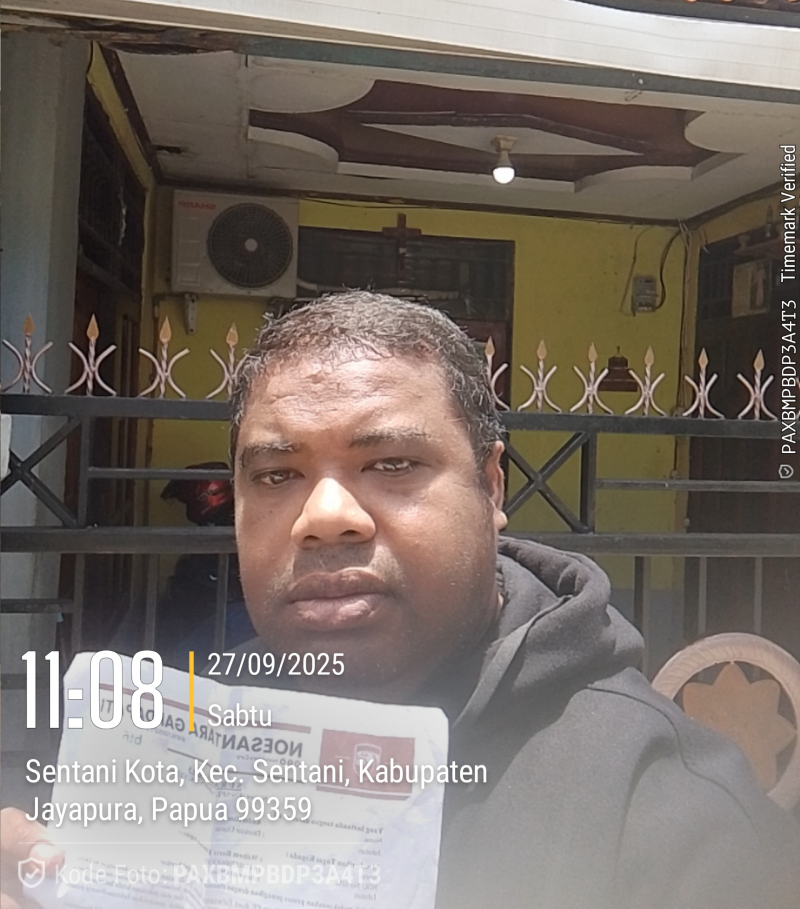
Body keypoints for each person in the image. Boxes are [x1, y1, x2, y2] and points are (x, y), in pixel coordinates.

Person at [2, 292, 799, 909]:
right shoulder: (184, 741)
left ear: (492, 487)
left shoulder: (680, 820)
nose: (325, 516)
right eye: (276, 475)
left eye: (390, 465)